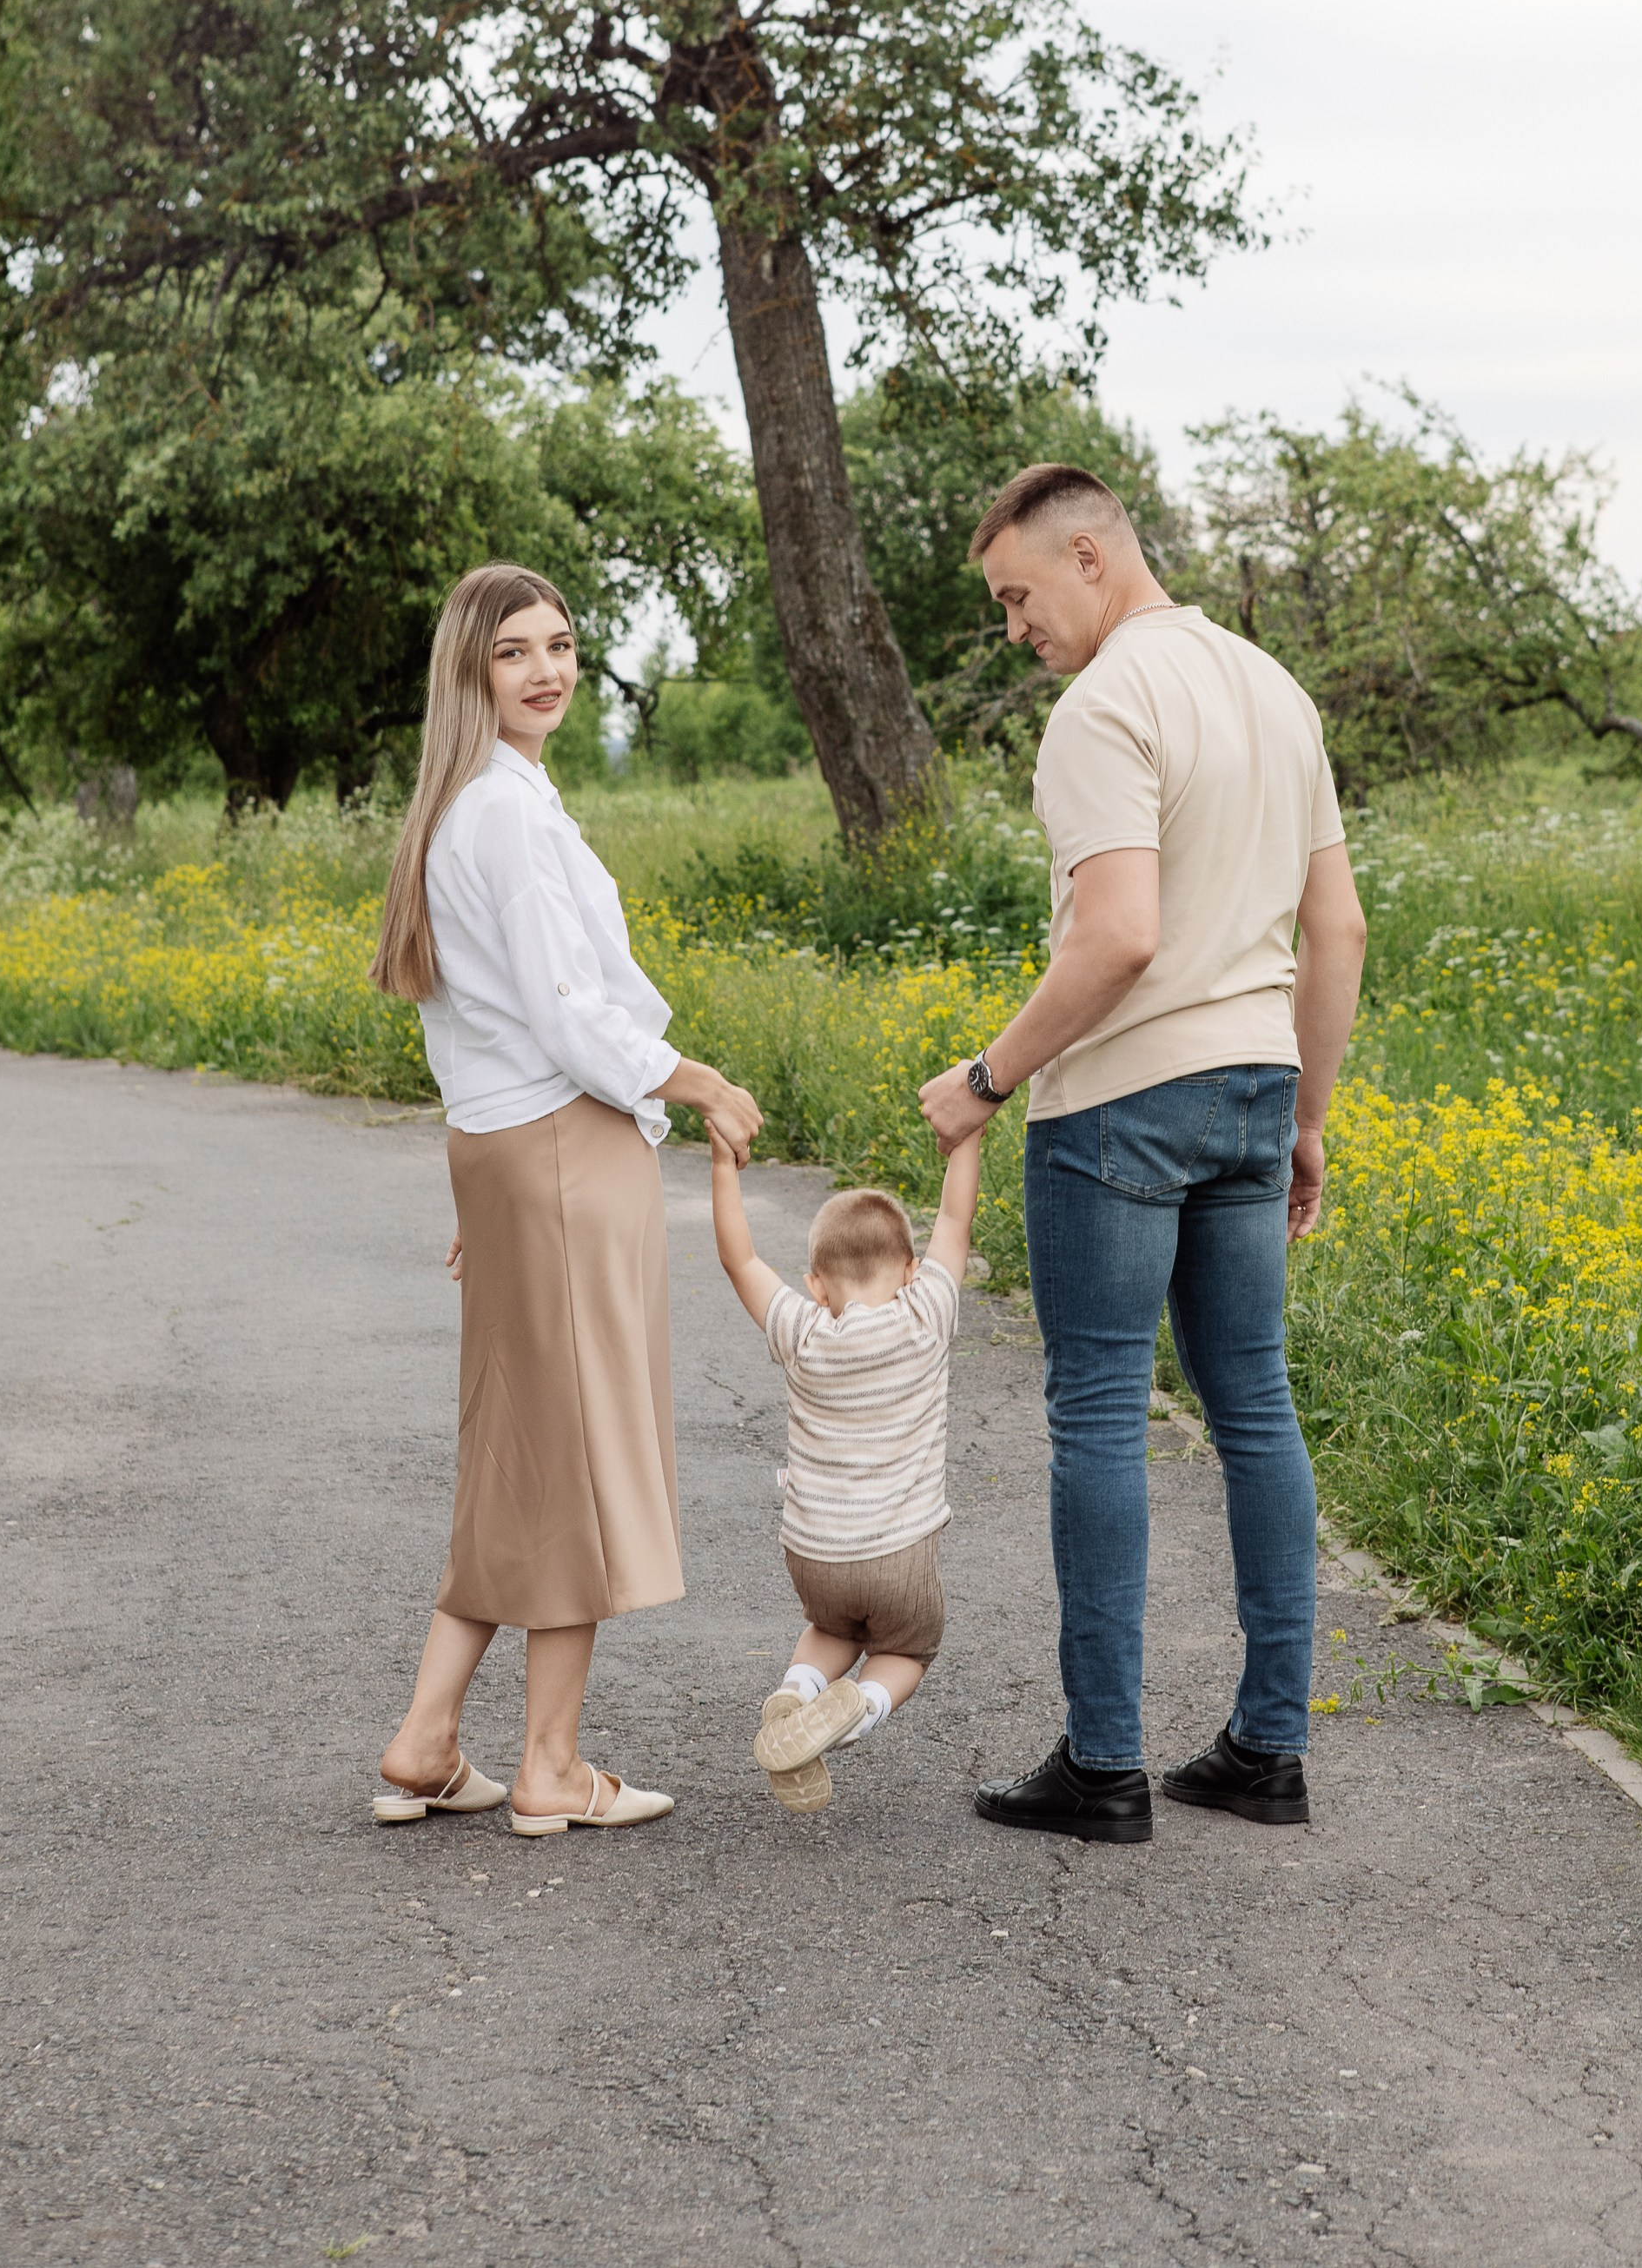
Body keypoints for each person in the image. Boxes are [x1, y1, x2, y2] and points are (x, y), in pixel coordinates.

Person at [919, 465, 1367, 1845]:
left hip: (1120, 1105)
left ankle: (1103, 1766)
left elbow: (1118, 935)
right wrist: (1305, 1120)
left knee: (1102, 1411)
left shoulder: (1104, 703)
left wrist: (988, 1077)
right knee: (1254, 1409)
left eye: (1017, 596)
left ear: (1092, 558)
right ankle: (1266, 1753)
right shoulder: (1275, 691)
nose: (1014, 629)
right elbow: (1336, 932)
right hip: (1252, 1092)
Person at [367, 562, 764, 1838]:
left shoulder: (466, 806)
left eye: (562, 645)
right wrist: (691, 1076)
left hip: (506, 1150)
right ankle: (550, 1765)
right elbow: (564, 1009)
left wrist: (498, 1190)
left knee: (518, 1454)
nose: (547, 670)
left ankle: (428, 1737)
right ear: (471, 673)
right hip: (558, 1146)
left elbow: (480, 1029)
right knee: (575, 1458)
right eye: (514, 652)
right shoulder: (509, 815)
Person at [707, 1125, 983, 1813]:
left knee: (831, 1629)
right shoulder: (927, 1315)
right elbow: (954, 1218)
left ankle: (798, 1692)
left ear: (815, 1284)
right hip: (900, 1556)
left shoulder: (802, 1333)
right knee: (909, 1650)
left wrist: (722, 1165)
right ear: (911, 1271)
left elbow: (739, 1259)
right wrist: (968, 1136)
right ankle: (860, 1704)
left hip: (815, 1557)